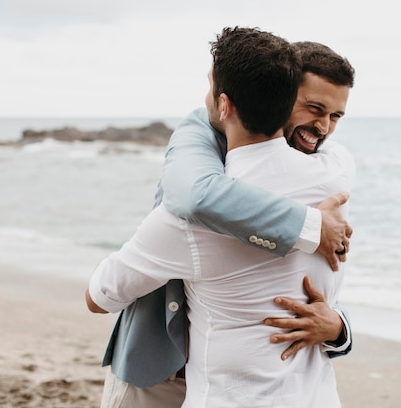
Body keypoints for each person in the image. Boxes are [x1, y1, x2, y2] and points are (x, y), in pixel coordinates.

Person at [88, 25, 355, 407]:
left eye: (336, 116)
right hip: (161, 365)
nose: (324, 128)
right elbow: (195, 197)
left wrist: (339, 327)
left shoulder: (330, 176)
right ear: (281, 93)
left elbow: (312, 282)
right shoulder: (199, 152)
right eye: (314, 109)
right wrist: (309, 226)